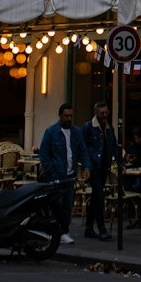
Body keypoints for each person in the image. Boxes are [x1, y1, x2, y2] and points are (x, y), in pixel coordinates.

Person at [38, 103, 91, 244]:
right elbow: (43, 154)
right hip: (56, 175)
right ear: (60, 116)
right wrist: (51, 172)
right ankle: (56, 231)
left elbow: (83, 149)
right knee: (57, 205)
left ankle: (64, 231)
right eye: (66, 116)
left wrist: (86, 167)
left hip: (70, 175)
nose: (68, 119)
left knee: (67, 205)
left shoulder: (76, 131)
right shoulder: (51, 132)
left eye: (70, 116)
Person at [80, 102, 122, 241]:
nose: (104, 115)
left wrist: (120, 162)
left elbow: (114, 146)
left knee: (96, 196)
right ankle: (102, 229)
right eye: (101, 113)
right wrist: (86, 165)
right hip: (93, 166)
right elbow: (82, 147)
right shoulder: (88, 128)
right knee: (99, 194)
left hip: (104, 165)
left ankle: (88, 228)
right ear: (96, 113)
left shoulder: (110, 129)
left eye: (106, 112)